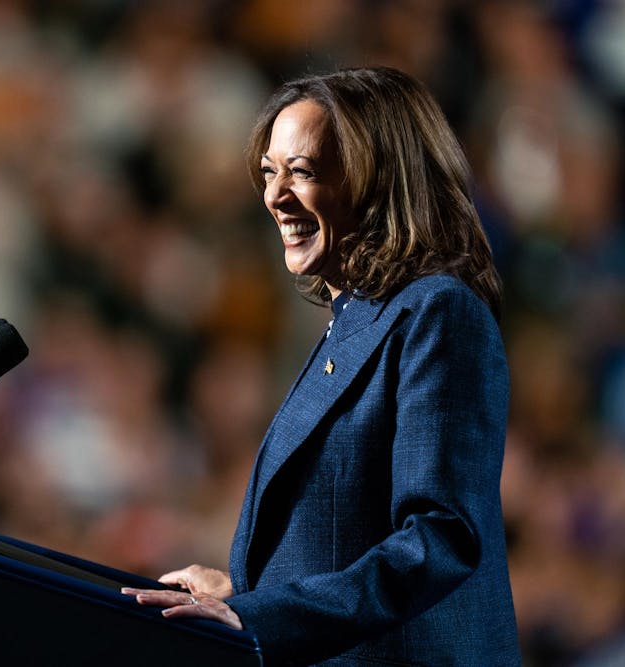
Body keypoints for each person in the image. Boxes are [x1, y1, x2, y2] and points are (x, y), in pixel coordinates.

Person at [122, 67, 521, 666]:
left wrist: (260, 616)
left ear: (380, 180)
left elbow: (441, 537)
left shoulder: (438, 313)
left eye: (301, 172)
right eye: (268, 173)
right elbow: (343, 534)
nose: (275, 196)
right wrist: (246, 593)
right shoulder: (357, 320)